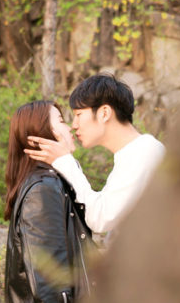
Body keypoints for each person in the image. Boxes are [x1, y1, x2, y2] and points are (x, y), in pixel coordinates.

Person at [23, 74, 165, 238]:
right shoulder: (133, 153)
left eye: (79, 114)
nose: (74, 125)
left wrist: (65, 161)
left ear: (104, 113)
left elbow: (101, 218)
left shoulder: (144, 152)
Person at [4, 101, 94, 303]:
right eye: (62, 121)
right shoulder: (43, 189)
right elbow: (50, 284)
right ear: (39, 137)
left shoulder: (51, 183)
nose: (71, 128)